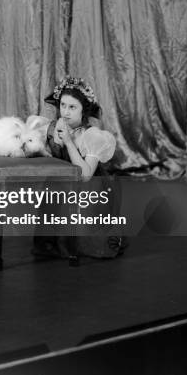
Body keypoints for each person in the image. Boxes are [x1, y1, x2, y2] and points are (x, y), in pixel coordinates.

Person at [33, 76, 127, 259]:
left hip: (88, 189)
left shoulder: (91, 135)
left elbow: (85, 175)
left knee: (87, 240)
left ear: (83, 110)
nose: (66, 112)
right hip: (61, 187)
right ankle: (54, 242)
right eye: (63, 106)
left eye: (72, 107)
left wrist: (68, 142)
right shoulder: (53, 128)